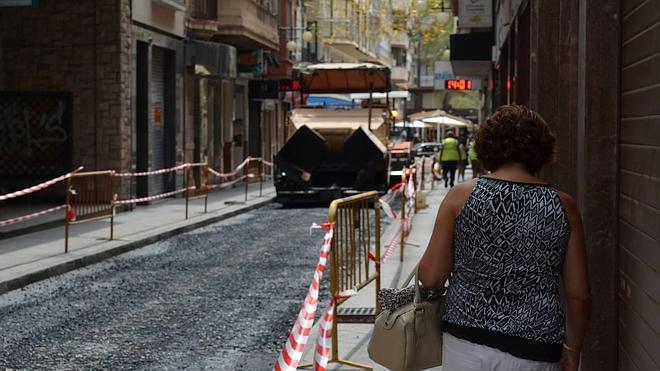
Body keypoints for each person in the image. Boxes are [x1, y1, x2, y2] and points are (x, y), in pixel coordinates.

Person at [419, 105, 591, 371]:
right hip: (537, 346)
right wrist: (573, 349)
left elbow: (431, 278)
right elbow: (579, 296)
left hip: (466, 342)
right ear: (543, 149)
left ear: (486, 146)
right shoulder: (563, 206)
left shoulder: (460, 197)